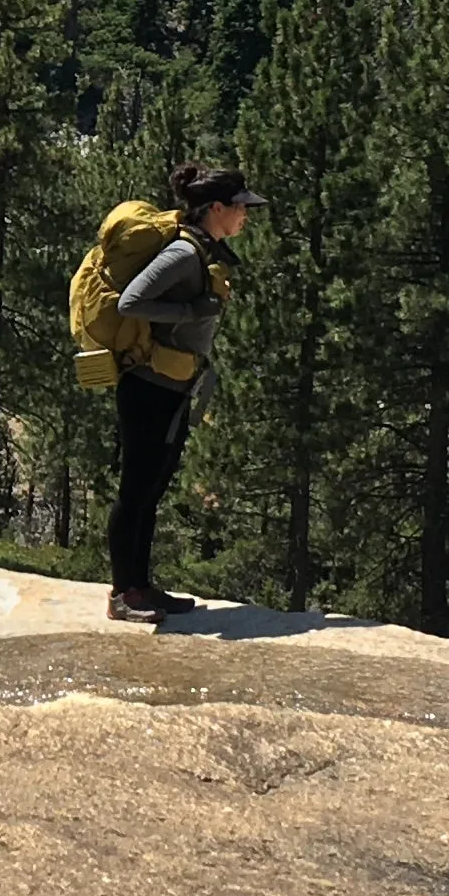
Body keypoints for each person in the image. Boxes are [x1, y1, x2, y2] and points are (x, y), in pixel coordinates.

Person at [106, 162, 261, 622]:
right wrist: (192, 310)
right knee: (135, 489)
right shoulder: (182, 253)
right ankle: (121, 596)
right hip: (147, 387)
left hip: (172, 386)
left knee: (152, 487)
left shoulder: (205, 248)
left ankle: (140, 586)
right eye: (240, 208)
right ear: (216, 208)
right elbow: (130, 302)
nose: (245, 216)